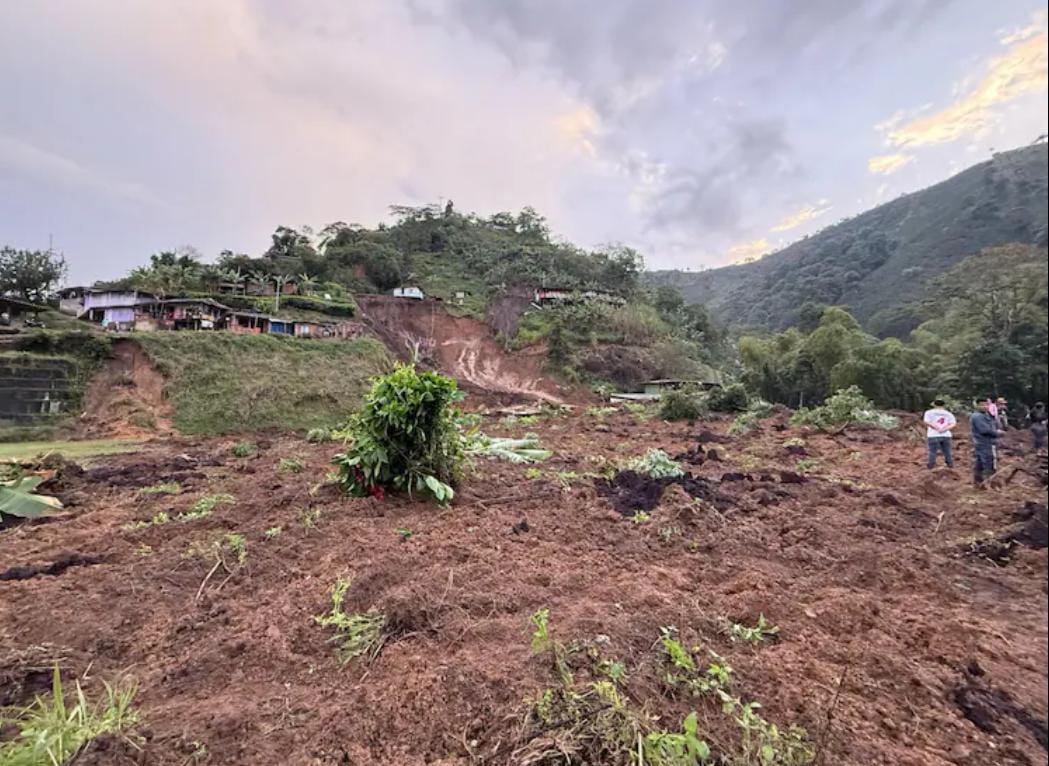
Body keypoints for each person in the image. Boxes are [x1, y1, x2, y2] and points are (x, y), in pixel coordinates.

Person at [970, 397, 1003, 487]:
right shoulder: (977, 416)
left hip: (984, 442)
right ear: (977, 406)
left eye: (987, 404)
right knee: (989, 462)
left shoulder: (986, 415)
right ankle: (990, 483)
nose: (985, 406)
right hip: (985, 442)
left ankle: (978, 482)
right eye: (982, 405)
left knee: (980, 462)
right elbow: (984, 430)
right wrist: (997, 433)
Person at [923, 398, 956, 468]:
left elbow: (927, 422)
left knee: (932, 451)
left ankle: (930, 466)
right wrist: (944, 429)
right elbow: (953, 424)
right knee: (947, 451)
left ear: (934, 404)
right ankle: (950, 465)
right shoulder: (948, 413)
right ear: (944, 405)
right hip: (946, 435)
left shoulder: (929, 412)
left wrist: (936, 428)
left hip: (933, 435)